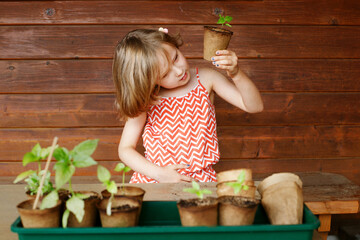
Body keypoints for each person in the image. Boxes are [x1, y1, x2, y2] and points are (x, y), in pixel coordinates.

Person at [112, 28, 263, 183]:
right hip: (155, 180)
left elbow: (254, 106)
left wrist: (236, 73)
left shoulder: (206, 79)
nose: (178, 71)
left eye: (176, 57)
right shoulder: (147, 98)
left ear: (176, 46)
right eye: (164, 74)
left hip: (200, 181)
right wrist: (159, 174)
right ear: (148, 80)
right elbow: (125, 149)